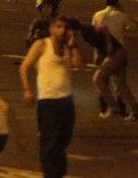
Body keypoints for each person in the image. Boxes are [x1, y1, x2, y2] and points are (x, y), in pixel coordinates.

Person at [19, 16, 83, 178]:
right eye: (59, 26)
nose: (62, 30)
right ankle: (51, 174)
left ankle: (57, 173)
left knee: (63, 141)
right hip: (48, 101)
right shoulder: (42, 45)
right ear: (52, 29)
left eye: (65, 27)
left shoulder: (68, 47)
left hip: (66, 101)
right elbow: (24, 67)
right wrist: (27, 90)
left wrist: (74, 44)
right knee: (50, 143)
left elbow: (80, 65)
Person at [91, 0, 138, 121]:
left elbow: (95, 34)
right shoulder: (120, 15)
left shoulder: (98, 15)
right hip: (120, 53)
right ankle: (134, 109)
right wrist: (123, 13)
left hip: (107, 53)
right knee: (120, 84)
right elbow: (133, 26)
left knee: (99, 79)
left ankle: (113, 107)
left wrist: (96, 54)